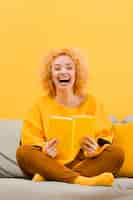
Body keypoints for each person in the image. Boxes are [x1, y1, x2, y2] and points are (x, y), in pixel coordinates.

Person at [16, 48, 124, 186]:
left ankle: (51, 176)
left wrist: (94, 149)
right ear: (50, 75)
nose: (63, 72)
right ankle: (81, 180)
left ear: (76, 73)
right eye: (57, 68)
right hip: (49, 161)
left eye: (69, 67)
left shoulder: (93, 102)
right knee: (23, 153)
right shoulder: (39, 104)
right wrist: (44, 149)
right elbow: (30, 138)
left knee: (117, 153)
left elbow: (104, 134)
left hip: (83, 162)